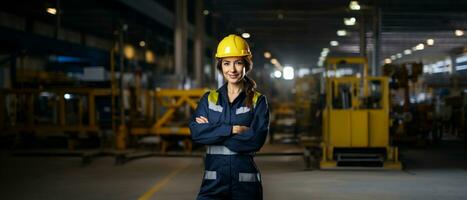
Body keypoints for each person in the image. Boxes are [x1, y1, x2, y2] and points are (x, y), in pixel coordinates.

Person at [189, 34, 270, 200]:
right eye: (226, 63)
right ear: (220, 66)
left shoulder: (258, 101)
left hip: (246, 184)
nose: (232, 70)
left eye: (238, 63)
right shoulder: (208, 99)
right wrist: (234, 129)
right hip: (213, 183)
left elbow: (256, 140)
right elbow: (197, 133)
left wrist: (213, 132)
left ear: (247, 64)